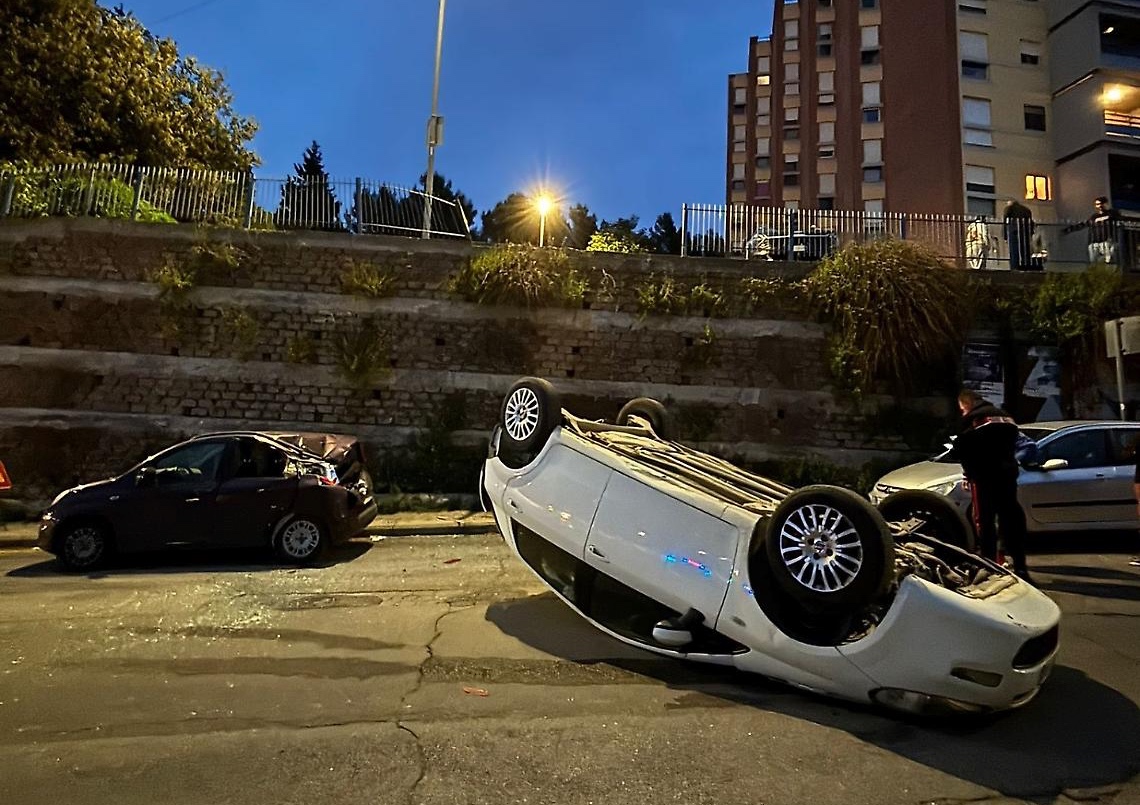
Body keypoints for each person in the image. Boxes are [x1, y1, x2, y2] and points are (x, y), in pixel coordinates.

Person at [947, 389, 1032, 582]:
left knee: (984, 522)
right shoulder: (1005, 417)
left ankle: (989, 565)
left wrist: (968, 474)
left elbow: (961, 450)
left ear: (966, 405)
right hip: (1008, 476)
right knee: (1010, 520)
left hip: (984, 478)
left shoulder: (974, 420)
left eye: (962, 409)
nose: (962, 413)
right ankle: (1020, 566)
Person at [1066, 196, 1122, 265]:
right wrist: (1069, 229)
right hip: (1094, 243)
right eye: (1097, 204)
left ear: (1106, 204)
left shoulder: (1112, 213)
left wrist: (1102, 219)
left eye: (1101, 203)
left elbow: (1116, 216)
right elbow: (1085, 224)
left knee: (1109, 262)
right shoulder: (1094, 216)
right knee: (1093, 262)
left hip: (1107, 242)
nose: (1099, 206)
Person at [1002, 199, 1035, 271]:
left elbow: (1005, 222)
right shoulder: (1026, 210)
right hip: (1025, 232)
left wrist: (1005, 236)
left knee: (1014, 251)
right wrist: (1031, 233)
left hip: (1013, 231)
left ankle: (1014, 267)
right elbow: (1030, 222)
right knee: (1025, 250)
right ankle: (1026, 266)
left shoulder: (1009, 208)